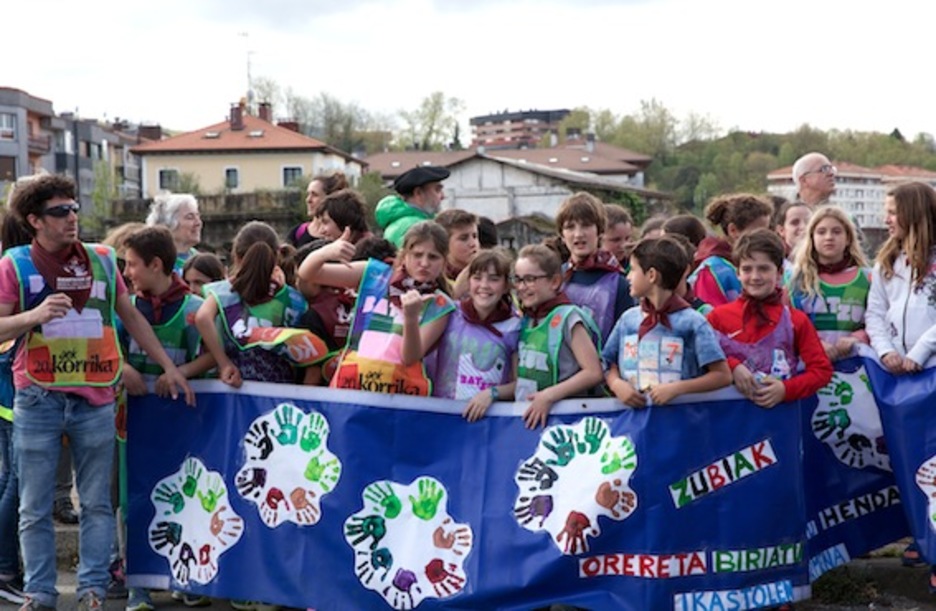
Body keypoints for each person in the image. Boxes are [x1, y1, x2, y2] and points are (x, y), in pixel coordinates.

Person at [0, 174, 194, 611]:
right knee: (33, 506)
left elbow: (132, 318)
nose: (71, 218)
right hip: (38, 396)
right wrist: (33, 316)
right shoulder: (15, 264)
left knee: (96, 505)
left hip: (96, 397)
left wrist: (167, 366)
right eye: (59, 211)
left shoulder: (103, 260)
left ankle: (91, 591)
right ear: (34, 220)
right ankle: (40, 593)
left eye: (73, 208)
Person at [299, 222, 455, 396]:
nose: (424, 263)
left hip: (398, 394)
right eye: (417, 255)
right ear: (404, 255)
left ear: (444, 262)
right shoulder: (374, 273)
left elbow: (410, 357)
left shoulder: (440, 304)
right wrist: (325, 253)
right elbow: (308, 274)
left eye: (433, 257)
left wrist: (410, 318)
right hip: (353, 383)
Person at [706, 229, 833, 408]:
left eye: (764, 269)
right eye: (747, 269)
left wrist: (786, 390)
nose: (755, 277)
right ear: (737, 273)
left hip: (779, 421)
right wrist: (732, 366)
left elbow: (821, 371)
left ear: (780, 272)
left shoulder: (796, 321)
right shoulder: (717, 318)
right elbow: (701, 361)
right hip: (729, 421)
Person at [603, 237, 731, 407]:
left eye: (633, 270)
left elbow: (722, 376)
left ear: (651, 275)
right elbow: (607, 361)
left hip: (680, 423)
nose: (628, 277)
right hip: (634, 425)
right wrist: (616, 384)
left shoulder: (693, 322)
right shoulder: (628, 320)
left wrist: (678, 389)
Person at [195, 222, 309, 387]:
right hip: (280, 389)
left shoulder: (225, 291)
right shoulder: (293, 298)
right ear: (277, 255)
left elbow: (202, 317)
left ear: (237, 256)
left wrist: (224, 363)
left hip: (236, 383)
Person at [513, 244, 603, 429]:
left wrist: (549, 395)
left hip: (567, 421)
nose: (522, 287)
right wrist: (492, 393)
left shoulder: (568, 317)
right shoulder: (525, 321)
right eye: (518, 279)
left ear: (554, 281)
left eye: (530, 279)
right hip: (530, 420)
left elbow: (593, 372)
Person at [431, 249, 520, 414]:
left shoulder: (515, 327)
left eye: (494, 279)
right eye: (477, 278)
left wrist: (492, 394)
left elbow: (520, 385)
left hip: (486, 425)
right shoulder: (449, 313)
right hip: (442, 417)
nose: (484, 286)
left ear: (507, 285)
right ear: (469, 281)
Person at [866, 181, 936, 374]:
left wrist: (922, 350)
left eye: (893, 213)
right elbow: (875, 311)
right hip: (896, 370)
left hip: (931, 365)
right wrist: (885, 350)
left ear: (914, 214)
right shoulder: (887, 261)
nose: (886, 220)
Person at [787, 207, 870, 362]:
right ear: (811, 238)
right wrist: (814, 342)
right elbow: (787, 323)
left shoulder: (867, 278)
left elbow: (880, 321)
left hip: (857, 367)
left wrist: (858, 337)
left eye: (837, 232)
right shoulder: (796, 279)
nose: (829, 237)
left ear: (848, 239)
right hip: (810, 365)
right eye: (821, 232)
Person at [557, 192, 634, 342]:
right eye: (570, 227)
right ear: (562, 235)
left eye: (586, 225)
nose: (578, 234)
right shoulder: (554, 279)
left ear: (600, 231)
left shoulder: (619, 284)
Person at [690, 193, 773, 309]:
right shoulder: (711, 270)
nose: (765, 237)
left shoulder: (760, 262)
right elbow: (711, 317)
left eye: (768, 230)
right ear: (733, 230)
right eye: (758, 231)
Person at [375, 166, 449, 247]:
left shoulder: (401, 222)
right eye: (437, 190)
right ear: (418, 193)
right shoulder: (418, 228)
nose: (443, 196)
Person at [288, 172, 349, 248]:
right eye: (308, 194)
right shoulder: (298, 233)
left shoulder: (342, 234)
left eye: (315, 195)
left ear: (330, 198)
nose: (308, 200)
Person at [145, 193, 202, 275]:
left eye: (198, 216)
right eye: (190, 217)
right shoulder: (155, 263)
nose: (198, 223)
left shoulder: (201, 260)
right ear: (168, 224)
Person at [434, 209, 480, 282]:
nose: (473, 244)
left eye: (475, 236)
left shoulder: (488, 273)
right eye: (463, 238)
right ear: (444, 243)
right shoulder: (434, 278)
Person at [774, 201, 812, 267]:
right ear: (781, 230)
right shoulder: (775, 258)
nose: (803, 227)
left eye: (808, 221)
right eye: (795, 222)